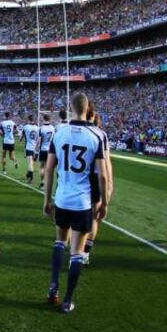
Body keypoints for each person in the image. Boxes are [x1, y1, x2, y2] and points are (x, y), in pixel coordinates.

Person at [42, 92, 109, 313]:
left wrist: (47, 198)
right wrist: (105, 202)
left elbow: (49, 169)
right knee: (77, 252)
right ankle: (68, 300)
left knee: (59, 242)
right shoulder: (96, 135)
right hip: (82, 201)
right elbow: (102, 175)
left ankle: (53, 286)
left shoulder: (59, 133)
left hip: (62, 197)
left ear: (70, 107)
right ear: (87, 107)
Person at [81, 102, 113, 265]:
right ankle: (85, 252)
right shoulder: (101, 135)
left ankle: (76, 248)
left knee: (79, 214)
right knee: (94, 217)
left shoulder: (77, 132)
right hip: (95, 177)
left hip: (80, 178)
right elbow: (106, 165)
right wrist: (109, 186)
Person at [38, 115, 56, 189]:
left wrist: (36, 150)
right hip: (50, 150)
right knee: (48, 168)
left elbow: (39, 140)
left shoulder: (41, 128)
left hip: (43, 149)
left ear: (43, 119)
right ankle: (48, 183)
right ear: (50, 119)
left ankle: (42, 182)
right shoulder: (53, 128)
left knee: (42, 166)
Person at [22, 119, 40, 184]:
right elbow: (39, 139)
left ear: (29, 120)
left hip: (29, 148)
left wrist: (20, 140)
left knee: (30, 163)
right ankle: (28, 175)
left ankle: (31, 179)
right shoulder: (38, 128)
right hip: (36, 149)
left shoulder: (26, 127)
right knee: (32, 163)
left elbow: (23, 135)